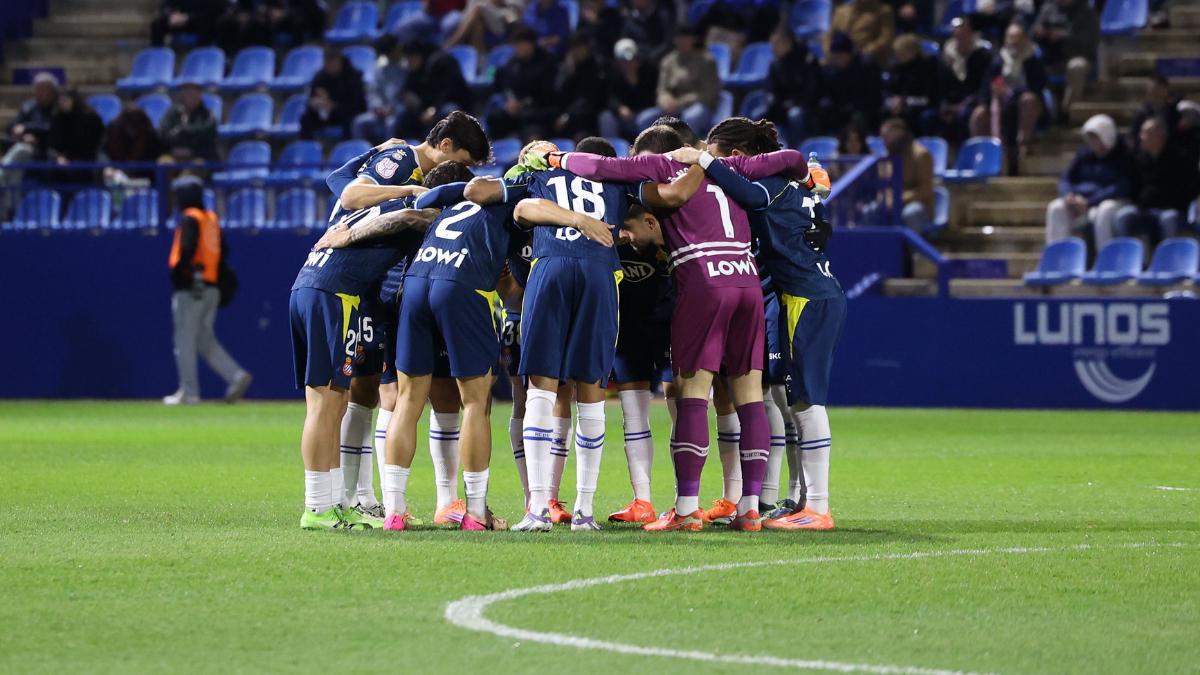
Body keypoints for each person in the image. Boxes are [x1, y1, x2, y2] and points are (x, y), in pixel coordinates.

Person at [551, 127, 828, 532]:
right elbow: (790, 157)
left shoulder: (662, 164)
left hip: (702, 278)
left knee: (692, 392)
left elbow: (597, 165)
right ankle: (750, 508)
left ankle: (684, 511)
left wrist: (557, 159)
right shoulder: (731, 166)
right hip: (747, 281)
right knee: (749, 395)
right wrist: (808, 176)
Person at [675, 117, 844, 530]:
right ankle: (801, 500)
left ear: (735, 155)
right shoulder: (796, 181)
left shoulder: (771, 183)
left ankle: (818, 508)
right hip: (809, 293)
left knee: (805, 400)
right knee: (794, 397)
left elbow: (747, 191)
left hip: (805, 298)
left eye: (715, 155)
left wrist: (701, 159)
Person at [324, 112, 492, 522]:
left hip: (387, 284)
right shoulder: (403, 160)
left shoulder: (406, 163)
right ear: (447, 145)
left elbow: (337, 180)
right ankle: (362, 496)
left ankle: (369, 497)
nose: (464, 175)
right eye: (466, 162)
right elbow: (348, 197)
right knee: (384, 394)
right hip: (374, 285)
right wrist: (409, 188)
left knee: (378, 394)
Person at [463, 137, 636, 531]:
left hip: (551, 267)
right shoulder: (616, 181)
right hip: (599, 271)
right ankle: (584, 512)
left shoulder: (538, 176)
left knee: (541, 389)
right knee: (590, 390)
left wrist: (526, 167)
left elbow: (498, 197)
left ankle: (538, 508)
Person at [289, 187, 439, 530]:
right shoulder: (406, 208)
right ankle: (316, 508)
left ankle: (332, 503)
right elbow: (407, 216)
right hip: (331, 294)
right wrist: (435, 214)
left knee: (335, 402)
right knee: (323, 404)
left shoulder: (368, 206)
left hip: (313, 288)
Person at [165, 177, 252, 406]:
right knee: (203, 338)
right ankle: (235, 375)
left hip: (191, 287)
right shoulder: (211, 218)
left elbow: (186, 249)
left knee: (184, 339)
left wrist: (182, 274)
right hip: (211, 287)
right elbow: (223, 251)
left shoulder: (190, 218)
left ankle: (188, 392)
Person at [1045, 114, 1133, 249]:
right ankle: (1057, 258)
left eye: (1095, 137)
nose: (1091, 141)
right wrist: (1068, 196)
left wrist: (1090, 201)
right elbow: (1066, 178)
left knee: (1104, 211)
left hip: (1111, 201)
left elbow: (1121, 186)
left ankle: (1104, 259)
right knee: (1056, 208)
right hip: (1081, 201)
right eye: (1090, 137)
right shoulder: (1084, 154)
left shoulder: (1124, 156)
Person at [1113, 117, 1200, 246]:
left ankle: (1167, 260)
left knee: (1168, 218)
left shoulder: (1180, 159)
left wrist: (1173, 203)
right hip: (1144, 210)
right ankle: (1125, 258)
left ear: (1159, 136)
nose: (1141, 137)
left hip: (1172, 210)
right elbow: (1132, 187)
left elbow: (1192, 187)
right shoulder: (1138, 160)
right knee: (1123, 216)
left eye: (1146, 133)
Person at [970, 22, 1046, 168]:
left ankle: (1025, 145)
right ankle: (984, 155)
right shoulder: (997, 61)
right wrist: (991, 96)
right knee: (979, 114)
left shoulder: (1033, 61)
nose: (1014, 41)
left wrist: (1011, 92)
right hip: (1000, 105)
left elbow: (1037, 87)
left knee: (1028, 100)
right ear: (1006, 40)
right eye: (1011, 37)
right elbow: (986, 86)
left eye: (1018, 37)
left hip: (1025, 105)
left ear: (1024, 39)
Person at [640, 25, 719, 135]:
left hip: (697, 105)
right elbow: (662, 89)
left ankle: (687, 150)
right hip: (671, 107)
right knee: (645, 118)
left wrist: (680, 102)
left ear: (693, 39)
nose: (682, 41)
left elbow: (708, 93)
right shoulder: (668, 61)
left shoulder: (706, 61)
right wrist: (665, 101)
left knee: (690, 117)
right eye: (679, 38)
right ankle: (652, 149)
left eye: (686, 38)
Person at [1, 73, 61, 212]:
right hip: (25, 152)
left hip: (45, 151)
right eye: (38, 89)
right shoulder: (29, 107)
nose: (40, 92)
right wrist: (23, 136)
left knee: (22, 151)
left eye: (44, 89)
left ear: (53, 90)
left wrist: (28, 129)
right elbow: (12, 127)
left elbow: (51, 128)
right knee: (16, 170)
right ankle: (12, 208)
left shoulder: (57, 108)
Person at [486, 27, 557, 139]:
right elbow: (506, 86)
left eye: (521, 44)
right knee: (494, 117)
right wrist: (510, 100)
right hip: (516, 110)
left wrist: (523, 103)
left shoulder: (546, 63)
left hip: (537, 111)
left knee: (533, 133)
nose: (517, 48)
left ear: (530, 44)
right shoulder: (514, 62)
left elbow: (546, 94)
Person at [1032, 0, 1099, 118]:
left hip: (1078, 56)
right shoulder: (1048, 9)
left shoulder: (1086, 12)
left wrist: (1062, 37)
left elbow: (1089, 41)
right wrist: (1041, 33)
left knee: (1076, 67)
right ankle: (1044, 116)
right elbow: (1033, 32)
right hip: (1051, 58)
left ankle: (1068, 113)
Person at [392, 39, 471, 140]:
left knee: (449, 112)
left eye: (410, 58)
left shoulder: (442, 61)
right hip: (425, 108)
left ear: (418, 55)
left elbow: (451, 91)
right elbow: (408, 89)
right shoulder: (415, 69)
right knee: (401, 114)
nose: (408, 63)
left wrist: (434, 108)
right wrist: (411, 99)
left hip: (448, 103)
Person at [817, 32, 883, 135]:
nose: (837, 59)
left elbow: (873, 96)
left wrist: (852, 107)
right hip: (841, 108)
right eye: (835, 56)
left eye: (840, 55)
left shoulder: (866, 66)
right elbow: (829, 93)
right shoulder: (830, 69)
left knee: (858, 117)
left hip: (864, 109)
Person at [765, 28, 822, 147]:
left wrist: (792, 104)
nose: (773, 48)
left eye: (776, 44)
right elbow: (772, 90)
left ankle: (798, 150)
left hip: (806, 108)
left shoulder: (807, 61)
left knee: (794, 115)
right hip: (783, 106)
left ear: (787, 43)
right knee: (758, 116)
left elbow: (811, 93)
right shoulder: (775, 64)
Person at [880, 118, 936, 233]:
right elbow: (884, 184)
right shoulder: (887, 156)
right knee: (872, 210)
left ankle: (915, 250)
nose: (885, 144)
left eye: (888, 140)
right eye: (884, 139)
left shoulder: (921, 155)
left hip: (918, 204)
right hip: (893, 203)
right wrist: (887, 197)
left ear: (901, 136)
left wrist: (900, 199)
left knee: (910, 213)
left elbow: (926, 189)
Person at [940, 17, 991, 141]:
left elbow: (984, 86)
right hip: (951, 101)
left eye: (963, 35)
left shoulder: (982, 56)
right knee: (930, 116)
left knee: (965, 115)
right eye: (957, 36)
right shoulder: (945, 57)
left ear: (971, 34)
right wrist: (944, 104)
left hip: (972, 101)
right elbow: (940, 84)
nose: (959, 39)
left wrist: (965, 104)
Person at [300, 47, 366, 140]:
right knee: (305, 118)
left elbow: (356, 104)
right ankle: (308, 149)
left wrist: (334, 106)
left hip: (347, 113)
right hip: (326, 113)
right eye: (327, 61)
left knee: (351, 121)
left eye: (333, 60)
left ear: (340, 60)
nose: (329, 64)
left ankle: (346, 149)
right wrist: (314, 104)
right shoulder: (320, 77)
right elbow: (311, 99)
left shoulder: (353, 76)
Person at [884, 34, 943, 137]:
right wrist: (892, 102)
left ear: (913, 51)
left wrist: (904, 101)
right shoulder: (896, 69)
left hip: (922, 107)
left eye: (902, 52)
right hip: (901, 107)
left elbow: (928, 99)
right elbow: (889, 92)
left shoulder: (928, 67)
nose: (898, 55)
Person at [351, 36, 408, 142]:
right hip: (380, 112)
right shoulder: (379, 68)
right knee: (359, 122)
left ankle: (388, 156)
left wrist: (393, 108)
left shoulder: (406, 68)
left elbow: (405, 95)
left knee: (391, 123)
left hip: (398, 112)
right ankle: (365, 157)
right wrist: (379, 107)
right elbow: (373, 92)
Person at [552, 32, 606, 139]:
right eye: (574, 48)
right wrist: (569, 72)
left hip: (588, 117)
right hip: (567, 115)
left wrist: (569, 115)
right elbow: (558, 91)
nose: (578, 51)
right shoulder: (567, 67)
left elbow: (589, 98)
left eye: (580, 47)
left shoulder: (597, 66)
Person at [602, 38, 658, 141]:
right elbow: (610, 98)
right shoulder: (613, 75)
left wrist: (634, 80)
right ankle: (611, 151)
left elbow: (652, 99)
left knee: (645, 118)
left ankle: (645, 149)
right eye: (624, 61)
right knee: (606, 117)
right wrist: (620, 108)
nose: (628, 64)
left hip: (644, 113)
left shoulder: (649, 73)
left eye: (632, 60)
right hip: (624, 117)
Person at [46, 89, 105, 185]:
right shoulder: (57, 119)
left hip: (88, 160)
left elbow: (100, 141)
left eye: (65, 100)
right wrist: (58, 157)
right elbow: (52, 145)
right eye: (60, 101)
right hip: (65, 162)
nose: (62, 103)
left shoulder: (91, 118)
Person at [158, 82, 217, 162]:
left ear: (200, 94)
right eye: (187, 91)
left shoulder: (207, 114)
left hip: (198, 156)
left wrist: (181, 131)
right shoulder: (172, 113)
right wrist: (174, 149)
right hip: (174, 154)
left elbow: (206, 136)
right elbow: (163, 134)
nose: (190, 95)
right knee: (164, 163)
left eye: (194, 91)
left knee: (196, 166)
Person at [828, 0, 896, 63]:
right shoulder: (841, 11)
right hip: (838, 57)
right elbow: (830, 35)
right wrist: (829, 51)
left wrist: (867, 50)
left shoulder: (882, 11)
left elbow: (886, 37)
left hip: (866, 58)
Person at [1128, 75, 1179, 151]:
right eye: (1152, 89)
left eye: (1159, 89)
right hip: (1146, 155)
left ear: (1166, 90)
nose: (1155, 93)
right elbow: (1133, 136)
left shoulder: (1174, 111)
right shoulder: (1141, 113)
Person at [150, 0, 219, 46]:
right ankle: (157, 54)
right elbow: (166, 5)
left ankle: (202, 54)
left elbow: (213, 10)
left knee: (205, 24)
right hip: (180, 21)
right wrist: (171, 15)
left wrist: (188, 17)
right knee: (157, 24)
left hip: (200, 20)